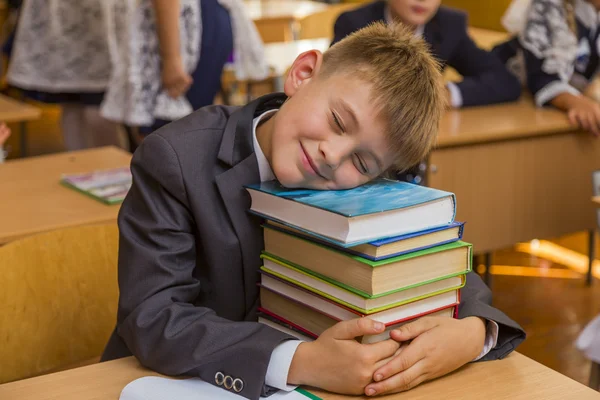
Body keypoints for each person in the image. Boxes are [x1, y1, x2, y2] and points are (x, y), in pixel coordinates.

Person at [101, 23, 525, 400]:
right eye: (339, 121)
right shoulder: (175, 158)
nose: (332, 156)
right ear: (303, 74)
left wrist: (474, 334)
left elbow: (442, 271)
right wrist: (302, 361)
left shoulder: (364, 185)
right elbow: (154, 317)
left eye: (361, 163)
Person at [493, 0, 600, 136]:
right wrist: (576, 102)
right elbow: (541, 78)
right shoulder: (547, 4)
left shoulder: (594, 14)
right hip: (505, 93)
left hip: (555, 96)